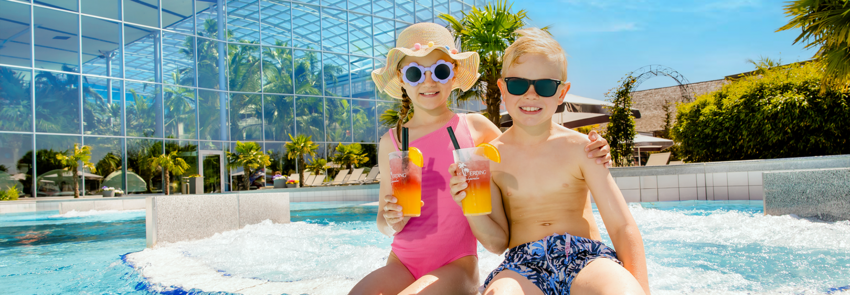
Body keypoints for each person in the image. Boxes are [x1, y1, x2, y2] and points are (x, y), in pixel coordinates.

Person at [349, 23, 613, 295]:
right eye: (415, 73)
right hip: (401, 262)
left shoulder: (475, 128)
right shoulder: (391, 142)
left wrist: (590, 149)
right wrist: (391, 219)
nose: (429, 82)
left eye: (440, 71)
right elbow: (382, 219)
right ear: (402, 79)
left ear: (453, 76)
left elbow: (524, 147)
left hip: (457, 264)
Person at [449, 28, 650, 295]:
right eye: (518, 84)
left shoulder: (582, 148)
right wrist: (470, 206)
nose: (531, 95)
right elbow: (498, 243)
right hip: (523, 264)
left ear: (561, 93)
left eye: (544, 86)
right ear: (503, 89)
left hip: (585, 257)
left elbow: (622, 226)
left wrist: (641, 289)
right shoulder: (487, 158)